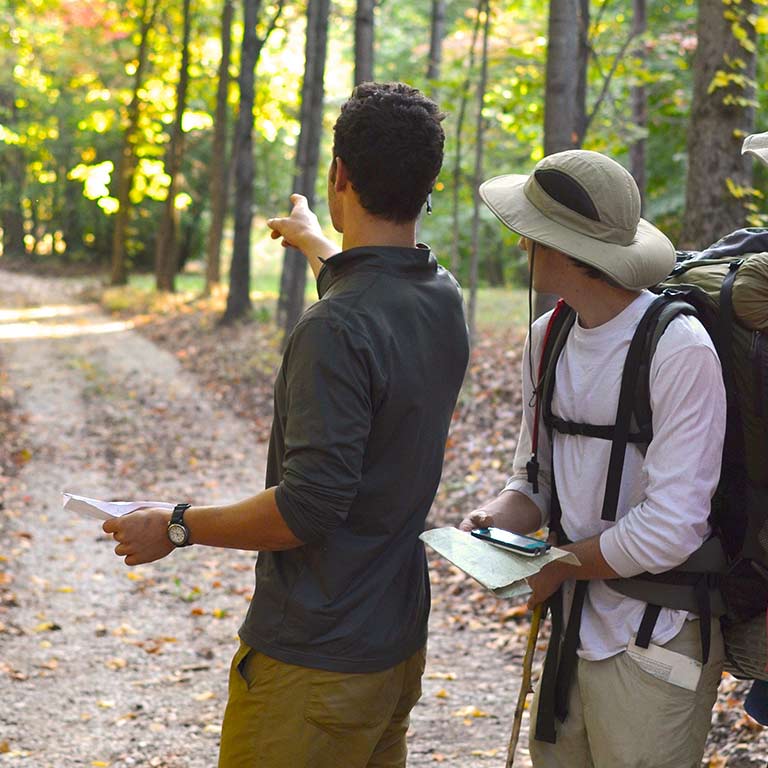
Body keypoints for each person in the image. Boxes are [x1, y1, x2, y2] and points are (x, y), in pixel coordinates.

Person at [103, 82, 470, 768]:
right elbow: (372, 304)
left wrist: (176, 524)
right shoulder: (440, 296)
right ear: (429, 186)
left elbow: (307, 509)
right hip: (391, 651)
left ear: (339, 175)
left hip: (314, 668)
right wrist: (315, 243)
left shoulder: (336, 327)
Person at [459, 149, 727, 768]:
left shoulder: (679, 348)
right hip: (574, 631)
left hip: (658, 639)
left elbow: (673, 526)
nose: (521, 245)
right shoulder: (547, 337)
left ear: (564, 249)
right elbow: (536, 479)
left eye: (532, 233)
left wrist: (558, 565)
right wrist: (497, 520)